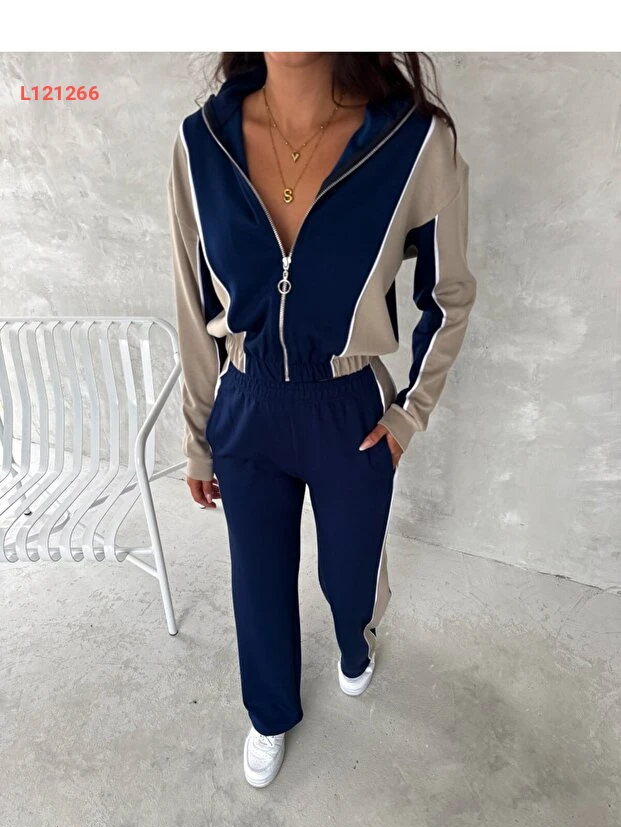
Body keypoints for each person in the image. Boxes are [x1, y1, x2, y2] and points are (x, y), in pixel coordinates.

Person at [166, 52, 476, 788]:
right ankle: (268, 710)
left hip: (347, 408)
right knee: (258, 581)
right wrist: (198, 436)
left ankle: (354, 641)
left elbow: (448, 295)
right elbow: (191, 302)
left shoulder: (412, 142)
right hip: (247, 405)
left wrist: (408, 416)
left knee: (349, 573)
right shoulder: (200, 144)